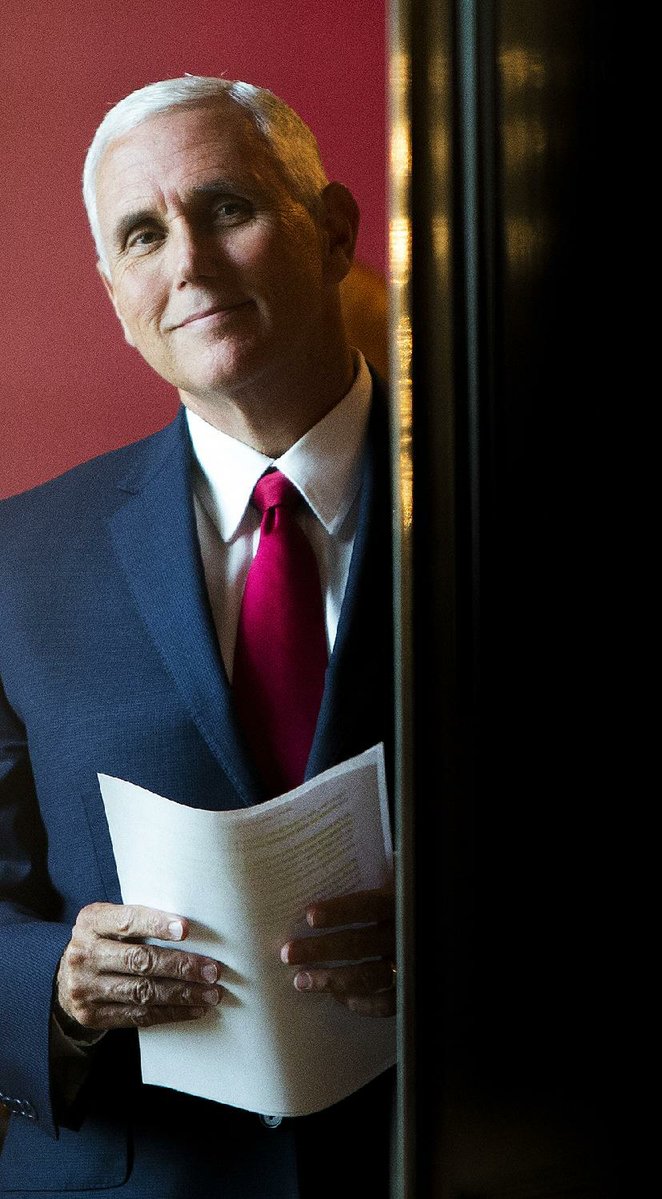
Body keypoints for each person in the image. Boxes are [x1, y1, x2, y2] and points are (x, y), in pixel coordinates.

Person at [0, 75, 396, 1198]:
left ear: (331, 232)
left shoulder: (505, 502)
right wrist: (59, 982)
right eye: (142, 234)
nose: (189, 264)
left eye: (226, 208)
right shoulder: (16, 560)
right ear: (114, 291)